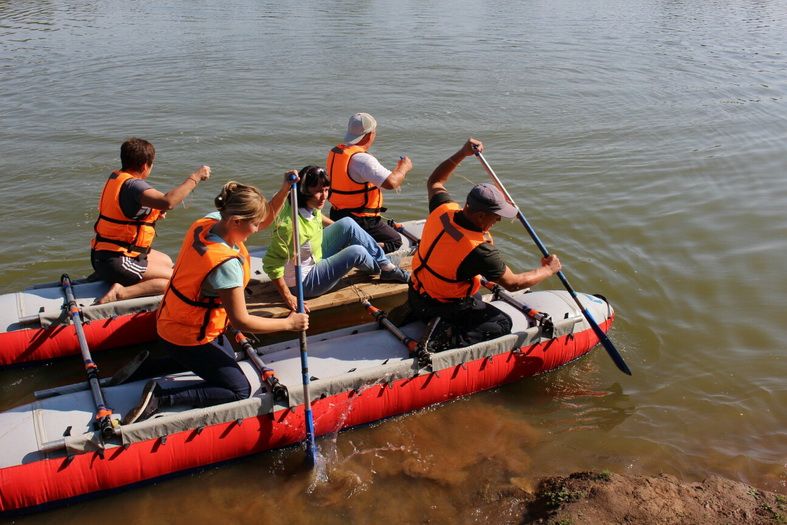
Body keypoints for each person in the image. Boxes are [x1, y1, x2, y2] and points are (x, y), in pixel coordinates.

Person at [122, 178, 309, 424]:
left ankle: (147, 367)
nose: (258, 229)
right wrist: (289, 324)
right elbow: (242, 320)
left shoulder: (209, 222)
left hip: (169, 321)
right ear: (236, 221)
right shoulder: (226, 266)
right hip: (186, 337)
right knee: (238, 389)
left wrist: (284, 189)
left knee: (228, 358)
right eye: (253, 224)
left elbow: (263, 219)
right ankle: (160, 397)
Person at [407, 138, 562, 349]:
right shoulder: (479, 250)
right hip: (440, 306)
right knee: (501, 323)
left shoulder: (442, 209)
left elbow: (435, 181)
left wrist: (461, 153)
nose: (498, 220)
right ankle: (445, 340)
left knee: (476, 294)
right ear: (480, 215)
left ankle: (421, 314)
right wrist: (547, 270)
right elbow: (513, 283)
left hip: (416, 293)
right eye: (495, 215)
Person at [263, 165, 410, 312]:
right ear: (304, 192)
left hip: (313, 255)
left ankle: (384, 264)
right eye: (319, 192)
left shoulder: (299, 201)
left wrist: (346, 232)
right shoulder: (290, 228)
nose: (324, 196)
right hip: (303, 283)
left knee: (347, 223)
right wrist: (288, 297)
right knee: (356, 251)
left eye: (326, 190)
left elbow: (318, 216)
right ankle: (382, 267)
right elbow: (271, 265)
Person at [91, 137, 211, 304]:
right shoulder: (134, 186)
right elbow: (168, 202)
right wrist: (195, 177)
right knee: (178, 280)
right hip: (115, 260)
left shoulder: (118, 178)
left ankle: (115, 275)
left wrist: (152, 214)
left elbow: (128, 211)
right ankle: (121, 292)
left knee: (167, 262)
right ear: (145, 166)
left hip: (107, 253)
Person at [326, 112, 413, 253]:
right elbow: (391, 183)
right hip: (362, 219)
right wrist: (404, 167)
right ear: (370, 134)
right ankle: (360, 248)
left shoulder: (336, 152)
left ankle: (353, 242)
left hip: (337, 214)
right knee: (395, 241)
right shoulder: (362, 160)